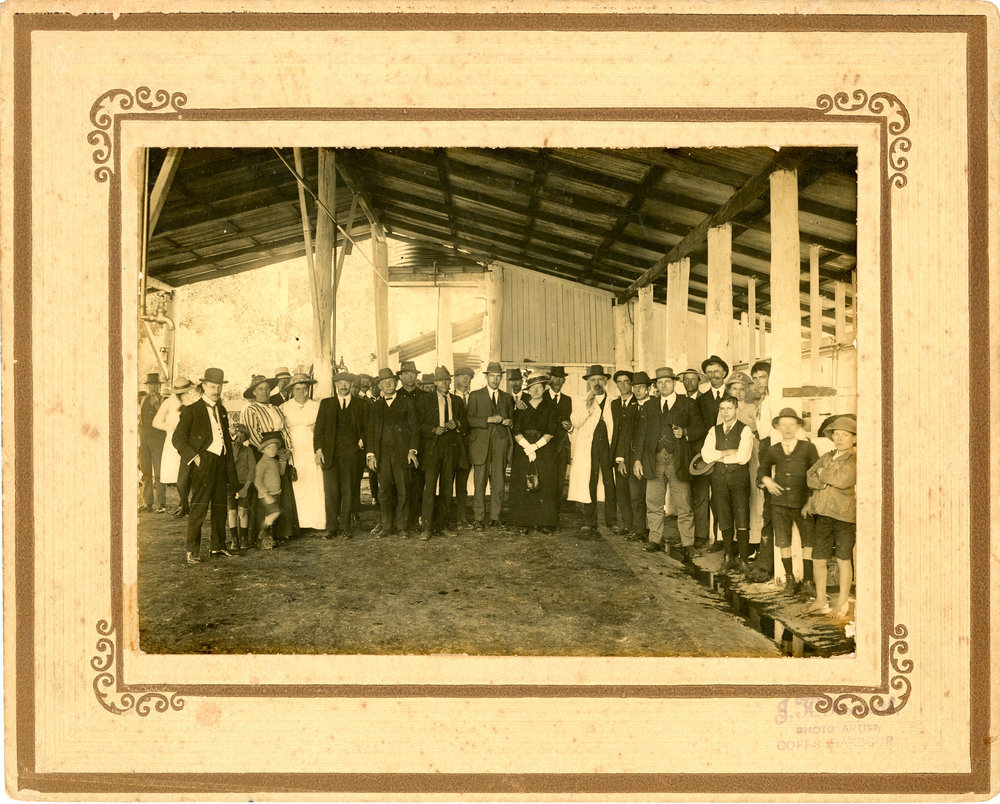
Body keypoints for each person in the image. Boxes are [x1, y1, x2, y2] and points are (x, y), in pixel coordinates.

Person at [172, 367, 239, 564]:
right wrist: (196, 458)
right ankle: (192, 551)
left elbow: (224, 438)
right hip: (203, 462)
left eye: (219, 387)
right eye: (212, 386)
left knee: (220, 506)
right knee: (199, 507)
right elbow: (178, 439)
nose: (216, 390)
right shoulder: (192, 410)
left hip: (221, 461)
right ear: (203, 386)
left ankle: (217, 546)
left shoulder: (222, 410)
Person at [637, 367, 701, 563]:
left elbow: (700, 428)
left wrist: (685, 432)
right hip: (654, 459)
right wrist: (638, 459)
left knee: (684, 504)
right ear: (656, 385)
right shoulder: (649, 405)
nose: (664, 385)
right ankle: (654, 539)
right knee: (653, 503)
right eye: (660, 382)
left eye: (667, 381)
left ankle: (688, 543)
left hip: (677, 459)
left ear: (674, 383)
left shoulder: (688, 403)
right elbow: (641, 434)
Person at [758, 407, 819, 595]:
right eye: (783, 424)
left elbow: (815, 474)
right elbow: (762, 470)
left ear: (798, 426)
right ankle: (790, 580)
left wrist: (809, 501)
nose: (787, 428)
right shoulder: (773, 449)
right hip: (779, 504)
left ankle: (808, 581)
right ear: (778, 427)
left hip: (803, 503)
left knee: (808, 541)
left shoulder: (808, 448)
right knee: (783, 541)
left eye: (791, 424)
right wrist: (767, 480)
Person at [806, 416, 857, 617]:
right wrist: (825, 479)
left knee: (844, 559)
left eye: (845, 435)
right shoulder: (827, 457)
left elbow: (844, 480)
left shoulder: (854, 459)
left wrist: (822, 474)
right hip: (823, 514)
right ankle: (820, 600)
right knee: (818, 558)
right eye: (836, 434)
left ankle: (842, 603)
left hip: (844, 516)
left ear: (854, 438)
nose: (839, 438)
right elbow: (809, 477)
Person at [701, 396, 754, 573]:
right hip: (718, 478)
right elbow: (706, 455)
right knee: (723, 516)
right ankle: (728, 557)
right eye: (722, 408)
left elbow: (743, 457)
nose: (725, 412)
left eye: (729, 408)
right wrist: (728, 452)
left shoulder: (745, 430)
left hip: (739, 478)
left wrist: (719, 456)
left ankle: (744, 559)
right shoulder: (713, 430)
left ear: (736, 409)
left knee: (741, 515)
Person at [242, 373, 298, 542]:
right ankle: (262, 534)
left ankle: (282, 531)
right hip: (262, 452)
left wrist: (287, 449)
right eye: (260, 389)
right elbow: (253, 434)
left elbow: (284, 430)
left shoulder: (276, 408)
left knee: (281, 487)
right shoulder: (251, 409)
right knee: (265, 489)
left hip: (279, 448)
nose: (264, 392)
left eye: (267, 388)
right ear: (254, 392)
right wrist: (271, 450)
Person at [365, 367, 420, 537]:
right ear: (380, 386)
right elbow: (370, 432)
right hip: (382, 457)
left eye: (391, 382)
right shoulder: (376, 406)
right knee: (384, 492)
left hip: (402, 455)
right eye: (385, 383)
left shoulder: (406, 402)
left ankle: (402, 527)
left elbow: (415, 429)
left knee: (403, 491)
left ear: (396, 383)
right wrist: (371, 454)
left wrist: (412, 451)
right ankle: (387, 526)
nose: (388, 385)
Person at [415, 366, 468, 540]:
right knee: (429, 487)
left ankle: (442, 525)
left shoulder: (457, 401)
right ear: (435, 383)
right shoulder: (424, 400)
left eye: (447, 380)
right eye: (441, 381)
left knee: (447, 488)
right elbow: (417, 425)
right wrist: (433, 430)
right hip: (432, 448)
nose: (445, 383)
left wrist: (457, 423)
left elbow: (466, 423)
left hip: (451, 448)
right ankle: (426, 528)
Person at [314, 370, 367, 539]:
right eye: (340, 383)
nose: (343, 386)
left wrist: (362, 440)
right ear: (335, 385)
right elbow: (319, 429)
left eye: (347, 383)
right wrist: (319, 450)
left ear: (351, 385)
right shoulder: (326, 403)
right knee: (331, 492)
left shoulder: (361, 404)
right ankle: (331, 527)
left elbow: (367, 428)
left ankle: (345, 527)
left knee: (348, 491)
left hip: (351, 454)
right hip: (330, 454)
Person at [568, 364, 617, 533]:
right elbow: (575, 422)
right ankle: (590, 521)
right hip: (590, 447)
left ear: (605, 382)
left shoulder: (613, 400)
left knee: (610, 483)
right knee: (590, 482)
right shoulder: (581, 399)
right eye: (593, 380)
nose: (597, 383)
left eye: (600, 380)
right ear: (588, 382)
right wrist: (587, 407)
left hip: (608, 446)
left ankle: (612, 521)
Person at [466, 362, 514, 529]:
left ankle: (496, 517)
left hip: (500, 443)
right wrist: (488, 419)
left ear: (501, 378)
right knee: (479, 483)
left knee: (499, 482)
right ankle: (479, 518)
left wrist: (509, 422)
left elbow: (512, 420)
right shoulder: (475, 396)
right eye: (492, 376)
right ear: (486, 377)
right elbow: (469, 420)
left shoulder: (507, 398)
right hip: (481, 444)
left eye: (498, 376)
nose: (495, 379)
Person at [509, 373, 559, 532]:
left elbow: (551, 431)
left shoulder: (551, 407)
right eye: (533, 388)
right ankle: (523, 522)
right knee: (522, 484)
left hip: (543, 449)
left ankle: (544, 522)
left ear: (544, 389)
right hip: (523, 450)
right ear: (528, 390)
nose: (536, 391)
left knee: (544, 484)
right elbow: (516, 431)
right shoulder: (521, 407)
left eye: (539, 387)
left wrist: (535, 447)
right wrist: (527, 448)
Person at [281, 372, 326, 532]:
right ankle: (301, 523)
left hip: (312, 447)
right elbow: (282, 430)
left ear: (308, 389)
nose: (301, 392)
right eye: (298, 389)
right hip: (294, 448)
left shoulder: (316, 406)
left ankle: (317, 521)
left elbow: (322, 429)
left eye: (304, 388)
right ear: (292, 390)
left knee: (314, 481)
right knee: (298, 482)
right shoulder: (284, 407)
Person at [695, 355, 729, 550]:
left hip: (729, 455)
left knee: (722, 498)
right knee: (705, 496)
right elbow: (699, 427)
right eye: (709, 372)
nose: (713, 375)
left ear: (724, 372)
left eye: (716, 371)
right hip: (708, 455)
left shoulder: (733, 395)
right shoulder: (702, 400)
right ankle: (708, 536)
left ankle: (725, 538)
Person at [747, 360, 776, 582]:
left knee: (771, 514)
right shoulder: (763, 401)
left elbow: (771, 437)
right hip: (765, 453)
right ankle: (765, 562)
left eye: (762, 377)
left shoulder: (775, 400)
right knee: (768, 513)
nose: (758, 382)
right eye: (755, 378)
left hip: (773, 456)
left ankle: (767, 565)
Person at [616, 370, 653, 542]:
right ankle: (639, 530)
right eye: (635, 387)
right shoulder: (631, 408)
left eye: (641, 387)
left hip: (649, 459)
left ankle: (650, 531)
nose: (637, 390)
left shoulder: (654, 406)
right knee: (636, 495)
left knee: (650, 497)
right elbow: (624, 435)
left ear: (649, 388)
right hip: (632, 458)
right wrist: (622, 459)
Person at [152, 376, 194, 512]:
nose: (183, 394)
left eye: (185, 391)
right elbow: (156, 422)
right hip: (174, 442)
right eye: (180, 392)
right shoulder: (168, 403)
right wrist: (171, 428)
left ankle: (185, 504)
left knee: (188, 473)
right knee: (176, 474)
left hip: (190, 441)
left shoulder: (192, 402)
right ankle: (183, 504)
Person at [396, 360, 426, 530]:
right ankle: (402, 520)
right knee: (401, 485)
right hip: (401, 447)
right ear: (400, 377)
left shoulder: (424, 396)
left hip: (422, 445)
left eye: (412, 374)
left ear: (416, 376)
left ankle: (417, 518)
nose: (409, 377)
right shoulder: (396, 396)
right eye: (405, 374)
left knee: (418, 483)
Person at [610, 370, 638, 536]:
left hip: (633, 455)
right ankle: (627, 525)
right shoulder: (614, 404)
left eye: (626, 381)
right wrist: (618, 457)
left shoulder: (638, 403)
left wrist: (624, 458)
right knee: (622, 492)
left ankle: (639, 527)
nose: (623, 385)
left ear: (631, 384)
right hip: (617, 454)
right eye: (619, 382)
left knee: (635, 493)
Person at [254, 431, 288, 550]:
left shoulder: (273, 460)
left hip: (276, 493)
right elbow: (257, 480)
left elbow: (281, 472)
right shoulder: (262, 463)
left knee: (272, 518)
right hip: (267, 495)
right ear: (263, 450)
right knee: (274, 514)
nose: (272, 450)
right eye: (269, 448)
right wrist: (265, 494)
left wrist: (283, 460)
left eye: (274, 448)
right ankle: (261, 534)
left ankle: (267, 541)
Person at [451, 365, 476, 528]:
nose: (465, 379)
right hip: (452, 445)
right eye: (462, 375)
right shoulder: (450, 398)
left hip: (469, 446)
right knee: (446, 482)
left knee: (463, 482)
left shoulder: (475, 397)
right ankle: (446, 517)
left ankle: (461, 517)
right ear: (456, 379)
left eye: (468, 376)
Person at [138, 372, 167, 513]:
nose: (153, 388)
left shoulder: (164, 400)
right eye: (151, 385)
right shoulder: (142, 399)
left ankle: (161, 504)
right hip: (144, 439)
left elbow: (167, 419)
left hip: (158, 439)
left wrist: (156, 406)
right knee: (145, 471)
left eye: (155, 385)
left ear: (160, 386)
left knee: (159, 472)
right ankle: (147, 503)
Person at [547, 366, 573, 517]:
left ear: (564, 381)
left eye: (560, 378)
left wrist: (569, 425)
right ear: (550, 379)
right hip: (544, 446)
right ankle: (544, 513)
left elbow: (571, 421)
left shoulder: (568, 400)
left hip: (562, 446)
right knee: (546, 479)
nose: (558, 381)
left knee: (559, 480)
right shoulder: (542, 396)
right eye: (555, 378)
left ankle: (555, 514)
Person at [226, 422, 256, 550]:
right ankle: (234, 539)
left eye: (242, 434)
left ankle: (244, 539)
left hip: (244, 484)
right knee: (232, 511)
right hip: (230, 485)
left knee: (242, 511)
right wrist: (235, 450)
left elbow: (252, 469)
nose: (239, 436)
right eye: (237, 433)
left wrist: (246, 487)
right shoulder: (228, 450)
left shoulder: (248, 450)